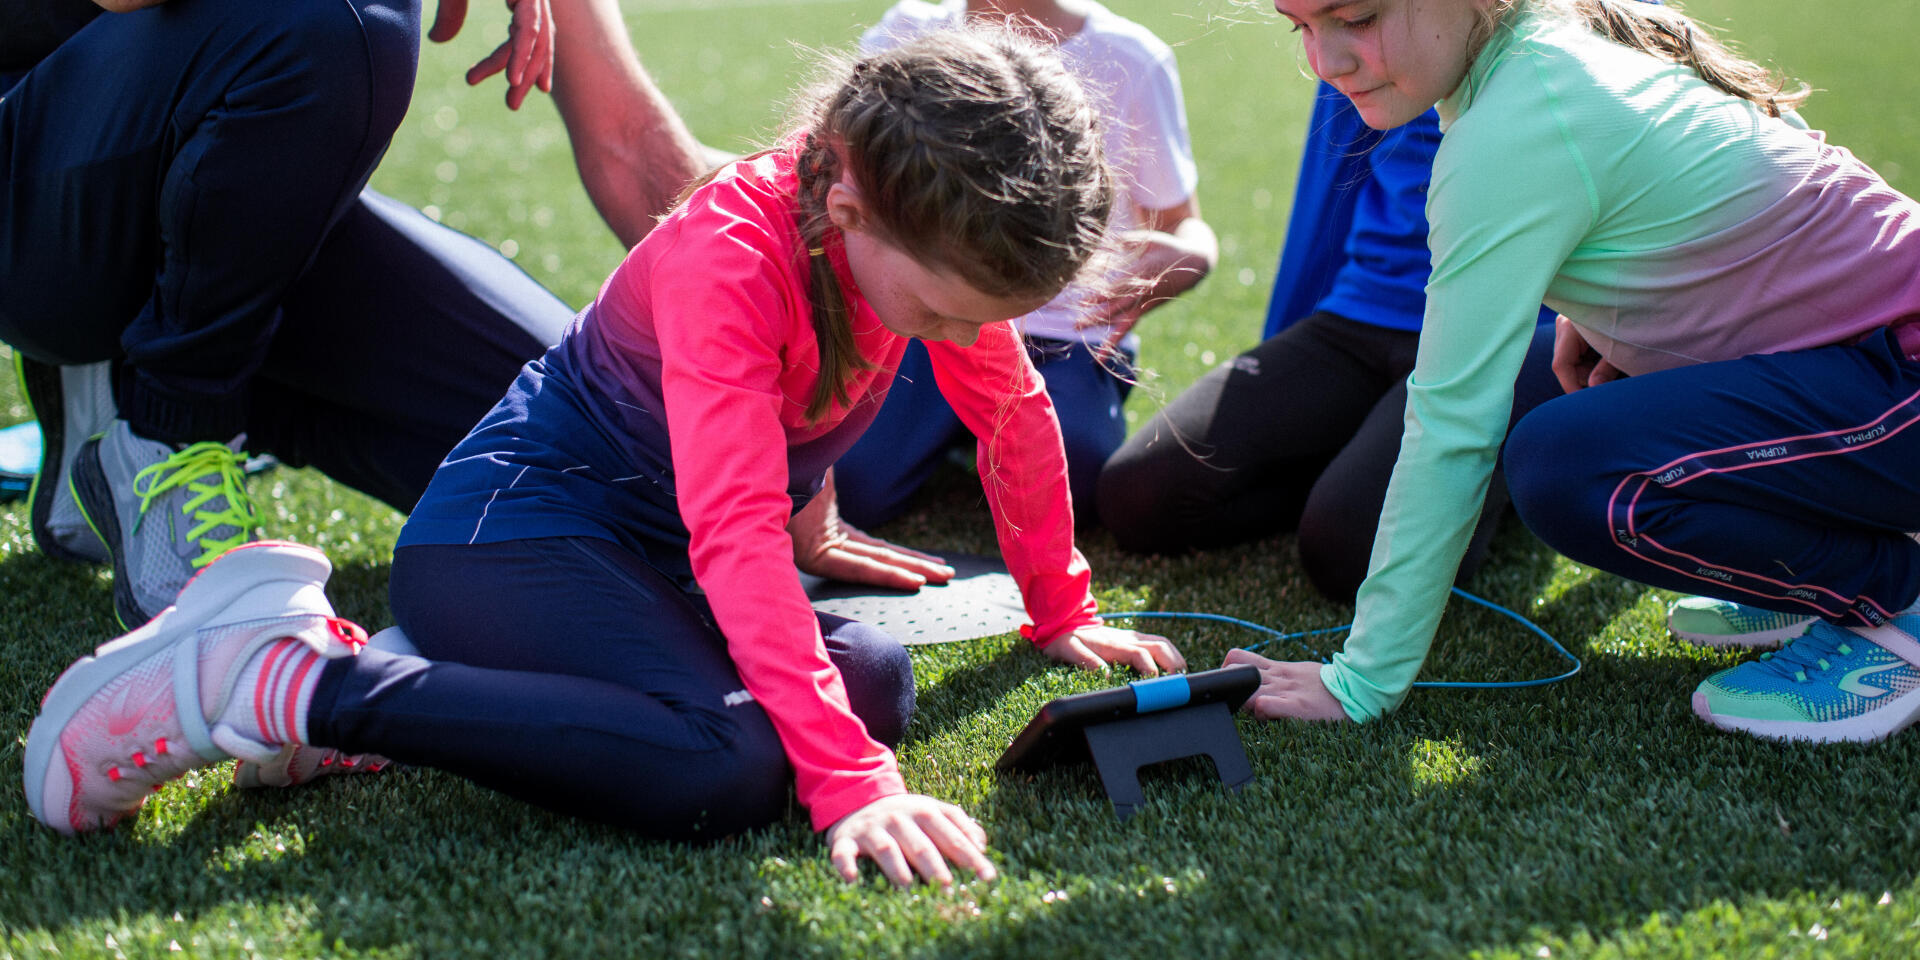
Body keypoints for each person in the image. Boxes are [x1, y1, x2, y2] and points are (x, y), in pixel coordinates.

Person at [24, 28, 1188, 889]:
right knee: (724, 767)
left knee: (873, 681)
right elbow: (735, 533)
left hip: (637, 562)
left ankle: (426, 676)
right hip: (509, 539)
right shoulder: (734, 257)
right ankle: (280, 679)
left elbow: (1016, 414)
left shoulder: (922, 238)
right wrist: (852, 788)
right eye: (937, 315)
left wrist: (1055, 608)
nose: (949, 341)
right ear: (852, 204)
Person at [1228, 0, 1920, 745]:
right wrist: (1603, 319)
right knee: (1586, 431)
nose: (1325, 63)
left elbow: (1452, 426)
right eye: (1300, 25)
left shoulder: (1512, 125)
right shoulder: (1553, 41)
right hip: (1876, 377)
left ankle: (1896, 604)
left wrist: (1361, 678)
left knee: (1567, 464)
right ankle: (1814, 578)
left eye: (1356, 17)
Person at [0, 0, 705, 628]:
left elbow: (628, 137)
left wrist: (764, 381)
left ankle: (122, 371)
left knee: (640, 477)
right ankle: (165, 430)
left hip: (228, 192)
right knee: (346, 15)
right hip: (36, 175)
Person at [1098, 81, 1559, 602]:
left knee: (1348, 552)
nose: (1326, 55)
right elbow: (1331, 184)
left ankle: (1501, 480)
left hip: (1500, 338)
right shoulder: (1348, 37)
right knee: (1137, 495)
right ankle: (1361, 471)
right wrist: (1284, 396)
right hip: (1361, 313)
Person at [832, 0, 1216, 527]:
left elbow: (1182, 222)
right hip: (927, 323)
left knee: (1075, 477)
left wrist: (1193, 254)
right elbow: (837, 175)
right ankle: (952, 433)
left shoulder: (1133, 56)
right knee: (849, 485)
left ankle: (979, 435)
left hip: (1069, 338)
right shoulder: (910, 29)